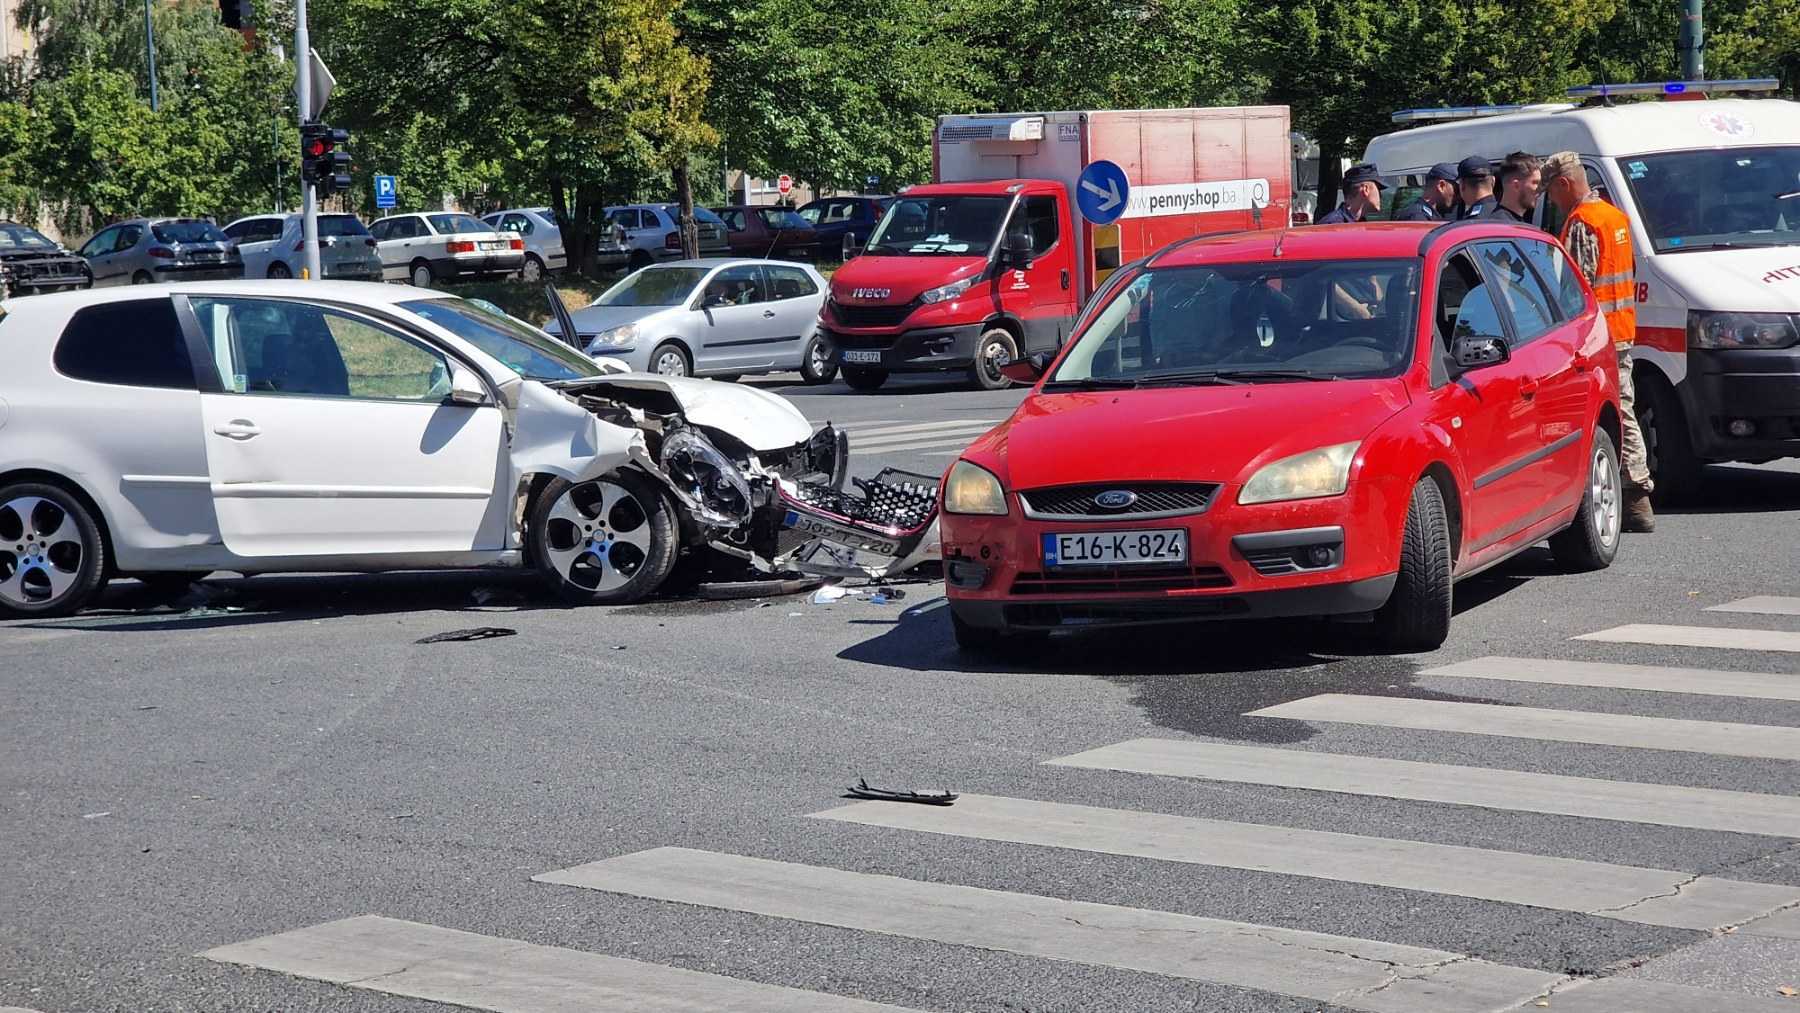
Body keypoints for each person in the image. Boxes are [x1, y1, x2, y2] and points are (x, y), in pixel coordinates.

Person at [1542, 150, 1655, 532]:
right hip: (1620, 330)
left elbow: (1577, 289)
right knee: (1622, 407)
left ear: (1564, 183)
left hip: (1596, 337)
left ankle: (1635, 494)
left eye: (1551, 192)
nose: (1551, 201)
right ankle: (1632, 496)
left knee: (1614, 412)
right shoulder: (1614, 217)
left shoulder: (1583, 223)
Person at [1316, 163, 1386, 224]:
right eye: (1378, 188)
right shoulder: (1331, 225)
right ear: (1365, 189)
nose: (1380, 195)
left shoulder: (1361, 223)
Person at [1493, 151, 1541, 224]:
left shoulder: (1514, 222)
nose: (1540, 189)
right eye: (1536, 183)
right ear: (1516, 185)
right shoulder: (1501, 226)